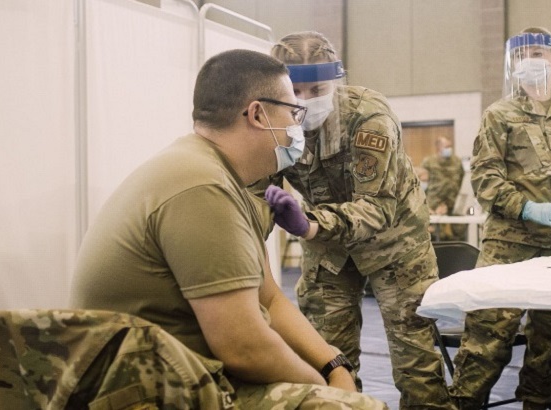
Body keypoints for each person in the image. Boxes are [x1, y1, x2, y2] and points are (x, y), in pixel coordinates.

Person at [70, 49, 387, 410]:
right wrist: (325, 389)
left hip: (173, 373)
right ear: (257, 114)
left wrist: (335, 366)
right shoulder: (203, 188)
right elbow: (243, 348)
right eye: (292, 112)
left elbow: (269, 299)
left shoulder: (213, 174)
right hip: (147, 388)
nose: (297, 126)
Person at [252, 31, 454, 410]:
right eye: (297, 90)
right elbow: (256, 188)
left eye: (319, 88)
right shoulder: (271, 120)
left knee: (417, 368)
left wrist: (307, 225)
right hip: (329, 248)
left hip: (395, 244)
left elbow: (376, 207)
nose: (308, 100)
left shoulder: (368, 116)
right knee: (327, 358)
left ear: (336, 81)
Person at [448, 27, 551, 410]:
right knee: (487, 341)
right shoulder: (500, 115)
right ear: (513, 63)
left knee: (548, 350)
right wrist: (525, 206)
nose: (533, 61)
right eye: (524, 55)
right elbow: (484, 178)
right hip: (509, 245)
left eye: (540, 53)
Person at [421, 137, 466, 241]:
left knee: (456, 236)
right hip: (433, 205)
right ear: (438, 148)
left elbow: (461, 178)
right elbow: (422, 181)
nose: (449, 149)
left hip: (452, 204)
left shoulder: (457, 162)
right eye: (446, 147)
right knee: (433, 237)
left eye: (450, 146)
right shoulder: (428, 162)